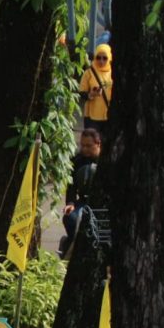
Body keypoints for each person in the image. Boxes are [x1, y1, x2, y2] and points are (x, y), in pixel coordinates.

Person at [60, 128, 101, 256]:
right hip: (83, 201)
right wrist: (71, 203)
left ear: (98, 144)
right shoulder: (77, 160)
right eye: (82, 145)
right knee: (70, 217)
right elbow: (71, 186)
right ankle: (70, 246)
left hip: (102, 202)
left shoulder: (107, 160)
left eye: (89, 146)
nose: (84, 149)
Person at [79, 44, 113, 132]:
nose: (101, 61)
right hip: (92, 117)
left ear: (109, 58)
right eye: (98, 57)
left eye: (104, 58)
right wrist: (90, 94)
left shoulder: (113, 72)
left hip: (109, 115)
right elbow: (81, 93)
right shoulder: (89, 73)